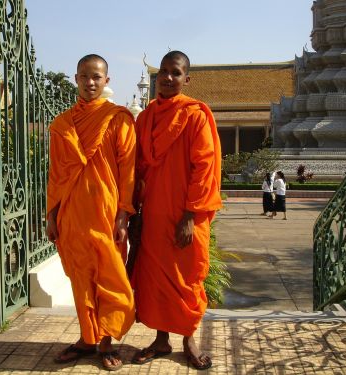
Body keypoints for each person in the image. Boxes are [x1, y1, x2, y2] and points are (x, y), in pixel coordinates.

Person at [130, 51, 222, 371]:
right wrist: (133, 210)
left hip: (186, 214)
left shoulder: (195, 115)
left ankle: (188, 340)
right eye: (164, 72)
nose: (167, 77)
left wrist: (189, 215)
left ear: (186, 79)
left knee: (188, 278)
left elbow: (204, 167)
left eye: (176, 72)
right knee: (155, 278)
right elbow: (138, 168)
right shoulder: (145, 117)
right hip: (154, 210)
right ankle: (160, 339)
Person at [46, 54, 136, 371]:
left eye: (97, 76)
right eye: (85, 76)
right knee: (81, 281)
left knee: (110, 281)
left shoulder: (118, 119)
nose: (91, 82)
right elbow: (56, 175)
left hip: (108, 216)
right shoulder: (62, 125)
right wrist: (51, 216)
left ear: (106, 81)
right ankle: (87, 339)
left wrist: (124, 215)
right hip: (72, 216)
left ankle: (107, 341)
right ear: (76, 79)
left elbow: (128, 172)